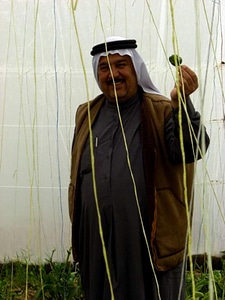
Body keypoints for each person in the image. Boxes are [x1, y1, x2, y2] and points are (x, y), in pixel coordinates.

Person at [68, 36, 210, 300]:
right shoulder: (86, 114)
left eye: (121, 65)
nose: (112, 74)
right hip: (97, 242)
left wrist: (183, 105)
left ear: (136, 68)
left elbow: (191, 149)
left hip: (148, 240)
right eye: (104, 68)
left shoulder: (162, 110)